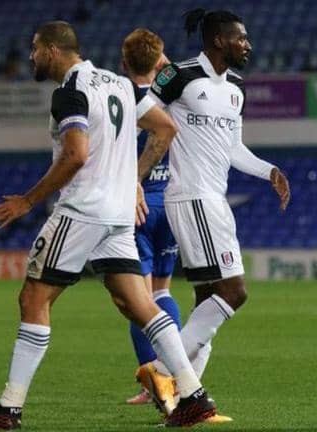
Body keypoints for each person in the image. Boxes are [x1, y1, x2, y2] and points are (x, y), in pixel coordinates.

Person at [0, 21, 216, 429]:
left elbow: (75, 154)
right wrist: (132, 179)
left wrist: (28, 200)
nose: (31, 57)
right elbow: (166, 127)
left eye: (34, 49)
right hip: (118, 216)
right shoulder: (119, 84)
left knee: (33, 298)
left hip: (82, 211)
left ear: (52, 51)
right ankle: (194, 396)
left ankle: (9, 407)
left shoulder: (70, 92)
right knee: (139, 305)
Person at [136, 8, 290, 414]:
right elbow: (140, 114)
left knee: (207, 300)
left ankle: (184, 401)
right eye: (241, 38)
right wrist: (130, 171)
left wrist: (268, 171)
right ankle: (159, 370)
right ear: (219, 40)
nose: (247, 45)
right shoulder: (180, 75)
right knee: (234, 293)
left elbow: (233, 148)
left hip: (213, 199)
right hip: (192, 197)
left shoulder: (236, 87)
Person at [119, 27, 182, 407]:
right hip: (170, 202)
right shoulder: (174, 96)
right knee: (163, 292)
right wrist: (163, 63)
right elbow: (173, 70)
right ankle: (172, 374)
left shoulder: (124, 98)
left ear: (124, 62)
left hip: (138, 203)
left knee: (138, 299)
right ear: (158, 60)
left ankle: (154, 382)